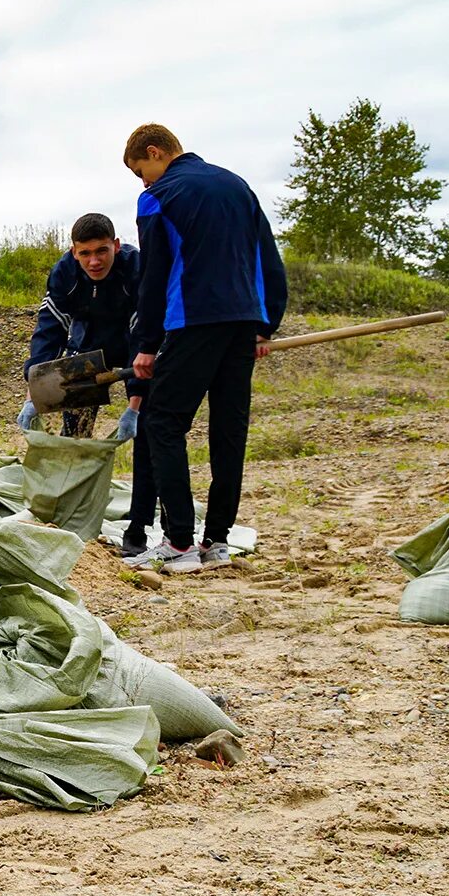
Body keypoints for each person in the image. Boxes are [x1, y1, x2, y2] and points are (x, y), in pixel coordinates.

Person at [121, 123, 287, 574]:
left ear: (155, 153)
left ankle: (179, 543)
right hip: (242, 324)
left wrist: (147, 344)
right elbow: (267, 257)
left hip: (193, 322)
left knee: (163, 423)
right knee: (228, 433)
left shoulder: (160, 196)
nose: (143, 182)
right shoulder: (237, 186)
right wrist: (265, 325)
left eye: (141, 171)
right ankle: (217, 542)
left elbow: (155, 274)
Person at [19, 213, 159, 554]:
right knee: (76, 434)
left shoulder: (136, 268)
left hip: (133, 347)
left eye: (101, 251)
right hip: (86, 349)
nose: (94, 261)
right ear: (74, 252)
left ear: (116, 245)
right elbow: (48, 333)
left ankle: (138, 528)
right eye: (85, 254)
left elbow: (144, 331)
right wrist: (33, 393)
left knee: (150, 435)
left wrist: (134, 405)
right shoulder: (65, 274)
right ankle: (70, 515)